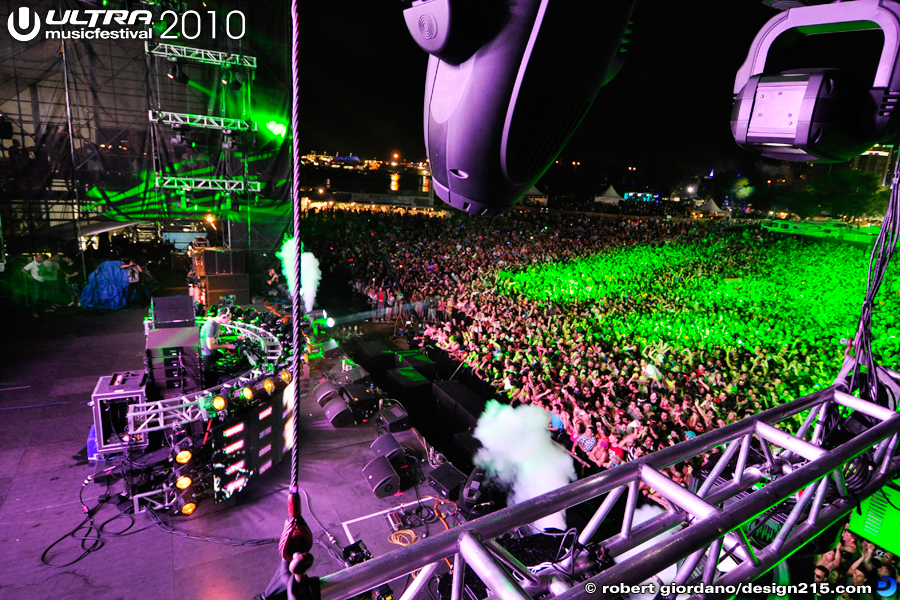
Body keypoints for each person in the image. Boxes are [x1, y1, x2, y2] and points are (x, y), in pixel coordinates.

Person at [200, 306, 239, 387]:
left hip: (211, 354)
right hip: (206, 357)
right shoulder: (211, 326)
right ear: (223, 316)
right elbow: (210, 346)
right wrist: (227, 346)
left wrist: (236, 337)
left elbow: (222, 335)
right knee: (208, 379)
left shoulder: (216, 324)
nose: (229, 320)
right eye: (228, 318)